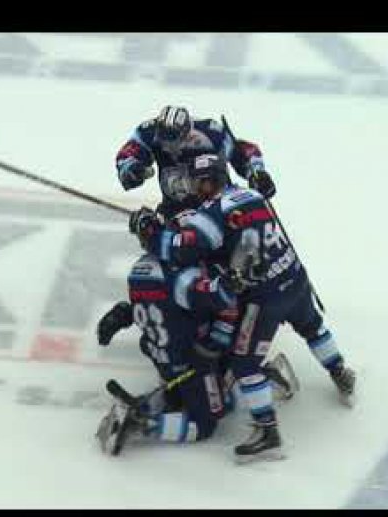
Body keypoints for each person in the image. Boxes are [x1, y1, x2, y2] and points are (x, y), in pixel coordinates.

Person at [130, 152, 356, 463]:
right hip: (294, 276)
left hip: (266, 298)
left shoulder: (213, 211)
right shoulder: (251, 195)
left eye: (201, 183)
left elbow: (183, 251)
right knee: (312, 327)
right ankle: (340, 372)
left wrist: (152, 234)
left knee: (244, 365)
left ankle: (268, 433)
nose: (197, 189)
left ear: (214, 180)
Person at [94, 250, 298, 456]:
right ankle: (141, 424)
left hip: (168, 359)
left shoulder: (140, 268)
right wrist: (213, 342)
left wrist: (124, 312)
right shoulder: (184, 276)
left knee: (186, 396)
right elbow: (221, 304)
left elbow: (161, 306)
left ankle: (151, 408)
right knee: (206, 423)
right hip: (192, 363)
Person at [115, 105, 276, 220]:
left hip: (220, 206)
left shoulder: (212, 133)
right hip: (175, 209)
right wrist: (130, 168)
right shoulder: (147, 133)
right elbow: (127, 153)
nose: (168, 146)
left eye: (173, 139)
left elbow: (243, 151)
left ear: (187, 132)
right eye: (164, 139)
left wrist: (257, 173)